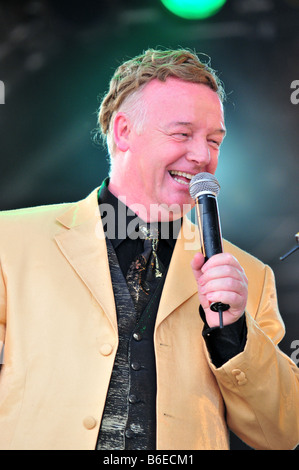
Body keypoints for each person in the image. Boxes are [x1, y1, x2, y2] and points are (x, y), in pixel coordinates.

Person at [0, 48, 298, 451]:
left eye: (214, 140)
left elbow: (282, 433)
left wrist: (234, 333)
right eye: (182, 134)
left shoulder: (248, 275)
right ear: (123, 132)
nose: (201, 156)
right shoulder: (11, 241)